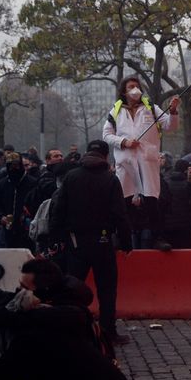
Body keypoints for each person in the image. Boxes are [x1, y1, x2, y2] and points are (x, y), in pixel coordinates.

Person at [50, 140, 133, 346]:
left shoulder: (71, 177)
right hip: (103, 241)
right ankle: (108, 332)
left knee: (71, 287)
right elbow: (120, 214)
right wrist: (126, 242)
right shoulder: (110, 180)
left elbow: (58, 210)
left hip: (76, 242)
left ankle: (67, 330)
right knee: (107, 289)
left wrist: (56, 238)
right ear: (105, 157)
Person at [103, 76, 179, 249]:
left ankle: (158, 238)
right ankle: (122, 240)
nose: (135, 89)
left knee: (152, 200)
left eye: (137, 86)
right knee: (124, 201)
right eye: (131, 87)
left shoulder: (151, 108)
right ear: (124, 91)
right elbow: (106, 135)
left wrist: (173, 112)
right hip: (126, 163)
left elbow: (170, 126)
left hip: (147, 161)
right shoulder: (115, 112)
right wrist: (124, 142)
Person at [0, 153, 37, 250]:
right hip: (7, 228)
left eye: (16, 165)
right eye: (11, 166)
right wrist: (0, 216)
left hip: (26, 228)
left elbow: (36, 204)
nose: (14, 168)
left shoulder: (32, 183)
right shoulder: (3, 183)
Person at [161, 159, 191, 249]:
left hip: (168, 223)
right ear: (185, 170)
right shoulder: (188, 185)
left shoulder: (166, 182)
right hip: (185, 225)